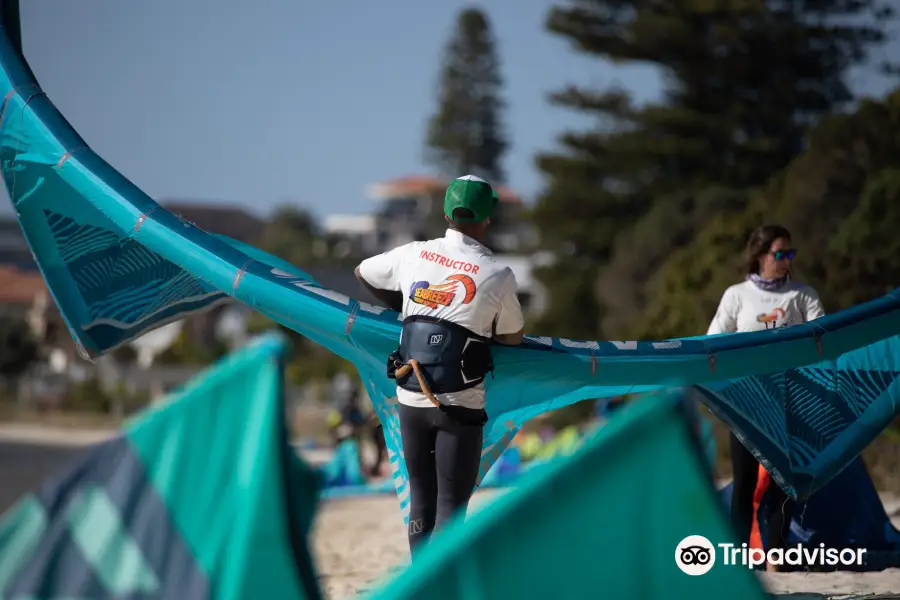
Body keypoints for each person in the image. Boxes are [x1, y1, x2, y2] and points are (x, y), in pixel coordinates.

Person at [354, 174, 525, 555]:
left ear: (446, 213)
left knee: (422, 500)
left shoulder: (414, 253)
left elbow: (362, 271)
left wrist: (409, 309)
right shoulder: (498, 274)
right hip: (458, 403)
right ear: (488, 217)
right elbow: (512, 337)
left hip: (410, 395)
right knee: (451, 507)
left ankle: (421, 584)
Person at [707, 224, 825, 571]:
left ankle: (776, 558)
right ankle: (736, 561)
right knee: (743, 484)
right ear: (760, 255)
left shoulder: (803, 296)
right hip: (746, 402)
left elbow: (825, 342)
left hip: (789, 401)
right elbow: (713, 342)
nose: (787, 260)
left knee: (784, 485)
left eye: (791, 253)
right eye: (780, 253)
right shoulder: (736, 295)